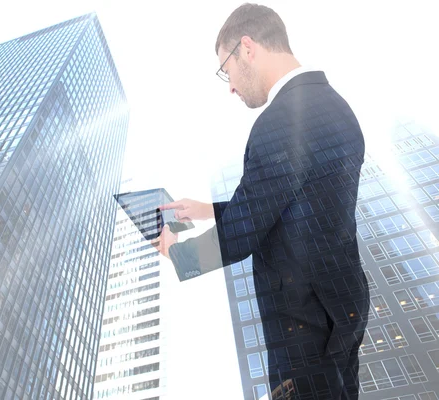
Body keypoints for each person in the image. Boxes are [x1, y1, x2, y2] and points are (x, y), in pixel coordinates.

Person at [152, 3, 370, 399]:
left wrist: (179, 253)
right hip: (338, 317)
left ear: (247, 47)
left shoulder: (281, 120)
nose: (231, 86)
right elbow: (289, 204)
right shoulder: (335, 106)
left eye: (226, 71)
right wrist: (206, 210)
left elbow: (242, 233)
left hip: (304, 334)